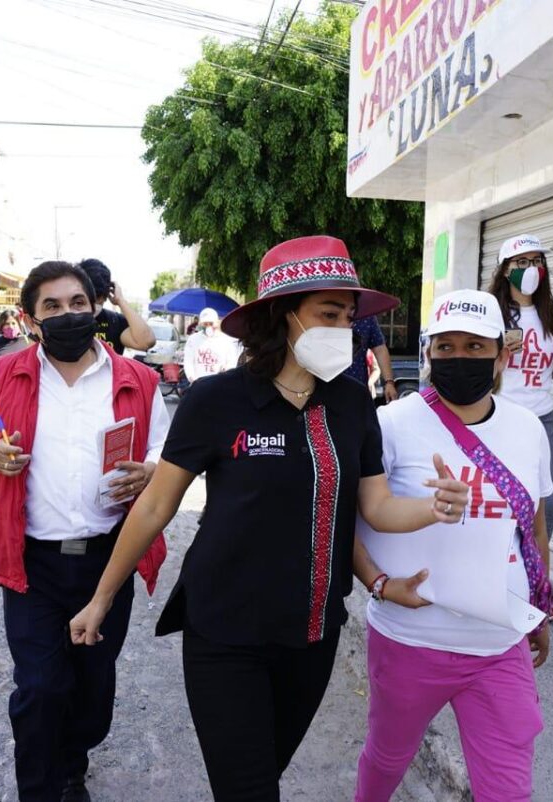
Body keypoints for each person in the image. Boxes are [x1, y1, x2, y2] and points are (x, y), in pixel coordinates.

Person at [68, 236, 469, 801]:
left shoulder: (354, 407)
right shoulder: (216, 401)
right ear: (284, 316)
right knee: (251, 792)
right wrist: (102, 597)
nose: (344, 328)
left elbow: (371, 507)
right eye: (328, 314)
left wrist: (433, 509)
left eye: (349, 316)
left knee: (260, 778)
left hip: (312, 636)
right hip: (225, 633)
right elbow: (157, 505)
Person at [0, 261, 170, 802]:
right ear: (31, 319)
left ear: (96, 308)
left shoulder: (137, 380)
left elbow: (168, 452)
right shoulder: (4, 376)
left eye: (77, 303)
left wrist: (150, 471)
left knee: (92, 685)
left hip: (108, 559)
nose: (67, 314)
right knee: (41, 687)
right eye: (52, 307)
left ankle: (74, 760)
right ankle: (41, 787)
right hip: (33, 564)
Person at [353, 289, 553, 802]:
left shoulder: (528, 429)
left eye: (473, 347)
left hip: (497, 644)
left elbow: (532, 527)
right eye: (445, 347)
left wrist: (539, 607)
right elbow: (348, 522)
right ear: (428, 354)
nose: (458, 358)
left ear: (500, 357)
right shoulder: (392, 424)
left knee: (508, 790)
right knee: (387, 759)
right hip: (408, 641)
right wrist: (377, 583)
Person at [488, 234, 553, 541]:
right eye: (522, 262)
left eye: (537, 262)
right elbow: (482, 372)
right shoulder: (493, 314)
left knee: (548, 502)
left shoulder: (550, 313)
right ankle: (503, 560)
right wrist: (500, 354)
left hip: (542, 418)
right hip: (502, 417)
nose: (532, 268)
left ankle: (534, 569)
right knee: (501, 499)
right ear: (505, 269)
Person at [78, 258, 155, 355]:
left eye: (98, 301)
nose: (92, 308)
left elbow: (146, 342)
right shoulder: (65, 319)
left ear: (106, 297)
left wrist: (121, 301)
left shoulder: (115, 322)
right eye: (87, 300)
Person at [345, 315, 398, 402]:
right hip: (323, 392)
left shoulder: (366, 316)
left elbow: (380, 349)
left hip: (357, 391)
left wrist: (389, 382)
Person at [182, 307, 235, 383]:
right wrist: (192, 378)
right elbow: (188, 361)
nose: (208, 326)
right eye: (205, 324)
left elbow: (231, 361)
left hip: (219, 384)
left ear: (216, 323)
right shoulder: (193, 339)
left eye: (211, 323)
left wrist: (226, 372)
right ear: (200, 324)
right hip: (198, 383)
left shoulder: (226, 340)